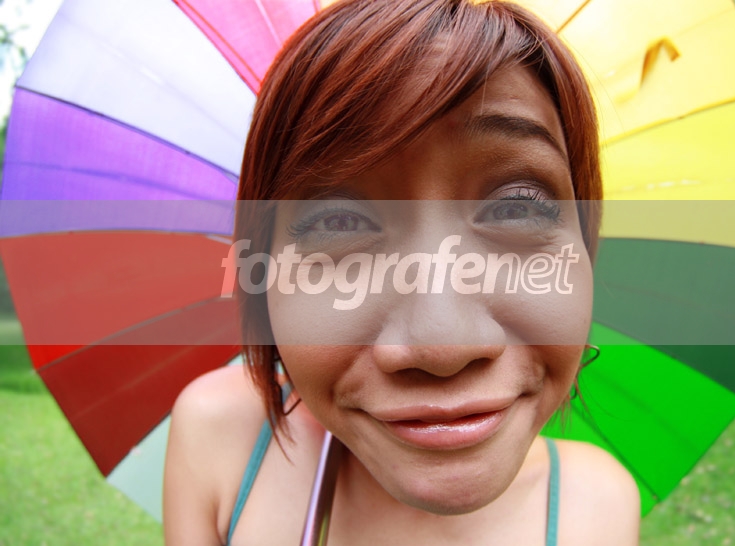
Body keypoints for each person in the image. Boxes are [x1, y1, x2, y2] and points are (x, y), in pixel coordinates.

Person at [163, 0, 641, 544]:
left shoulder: (595, 506)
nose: (442, 344)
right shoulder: (218, 437)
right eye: (339, 221)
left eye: (516, 208)